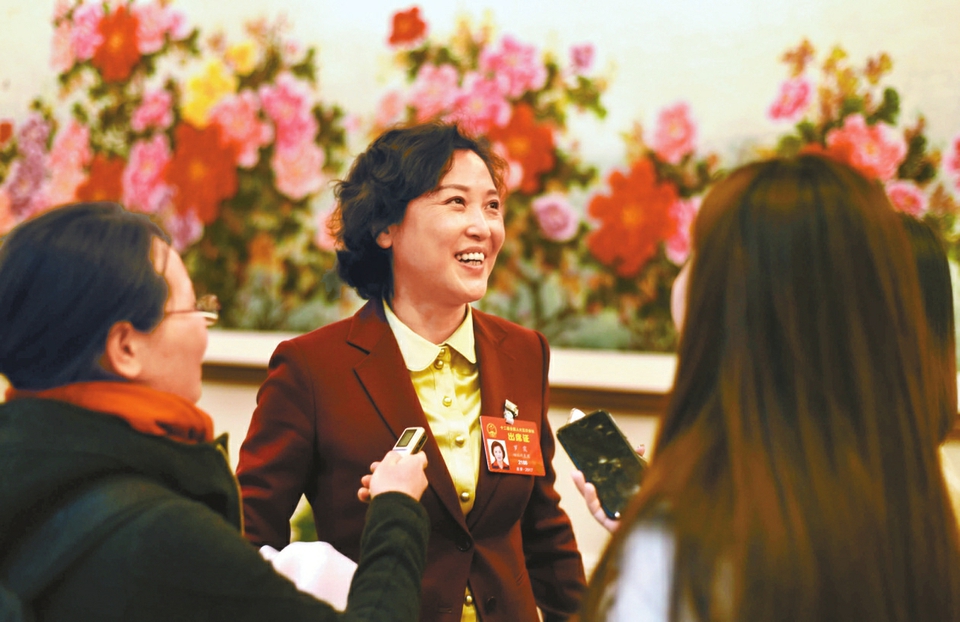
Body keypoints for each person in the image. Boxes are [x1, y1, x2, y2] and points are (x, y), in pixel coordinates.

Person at [0, 202, 431, 622]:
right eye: (192, 309)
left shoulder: (27, 469)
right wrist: (395, 507)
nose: (204, 328)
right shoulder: (166, 540)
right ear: (126, 348)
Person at [580, 155, 960, 621]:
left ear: (733, 298)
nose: (680, 280)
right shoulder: (915, 508)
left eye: (698, 254)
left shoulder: (686, 543)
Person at [236, 122, 586, 622]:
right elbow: (248, 542)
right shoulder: (312, 368)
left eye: (492, 206)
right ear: (386, 227)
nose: (483, 227)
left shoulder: (523, 353)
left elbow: (543, 531)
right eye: (456, 202)